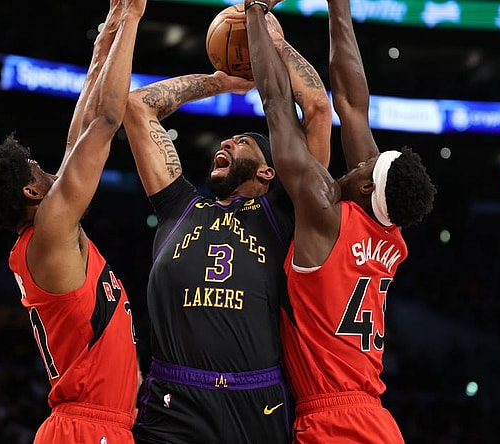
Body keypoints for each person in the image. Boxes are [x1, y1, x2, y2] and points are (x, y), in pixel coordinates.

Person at [122, 13, 331, 444]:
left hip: (257, 400)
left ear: (269, 171)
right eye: (227, 140)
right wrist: (223, 82)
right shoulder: (180, 205)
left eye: (242, 142)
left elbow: (316, 109)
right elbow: (136, 106)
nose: (225, 142)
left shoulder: (284, 212)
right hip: (174, 399)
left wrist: (276, 45)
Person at [0, 0, 146, 442]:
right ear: (31, 192)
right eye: (39, 169)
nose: (51, 169)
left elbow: (77, 135)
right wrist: (133, 17)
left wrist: (105, 41)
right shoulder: (52, 231)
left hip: (97, 424)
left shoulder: (48, 230)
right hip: (86, 427)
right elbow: (106, 120)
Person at [245, 0, 436, 442]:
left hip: (334, 420)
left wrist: (254, 11)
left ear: (368, 189)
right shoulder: (390, 230)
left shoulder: (325, 214)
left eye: (363, 170)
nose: (353, 166)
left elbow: (277, 107)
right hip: (374, 416)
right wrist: (339, 8)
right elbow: (352, 103)